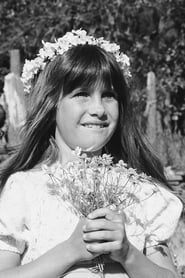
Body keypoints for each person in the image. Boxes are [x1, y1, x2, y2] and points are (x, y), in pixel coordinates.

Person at [0, 29, 182, 278]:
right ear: (51, 105)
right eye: (82, 94)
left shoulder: (140, 191)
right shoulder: (24, 189)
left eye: (108, 95)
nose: (98, 108)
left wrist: (128, 254)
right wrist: (69, 251)